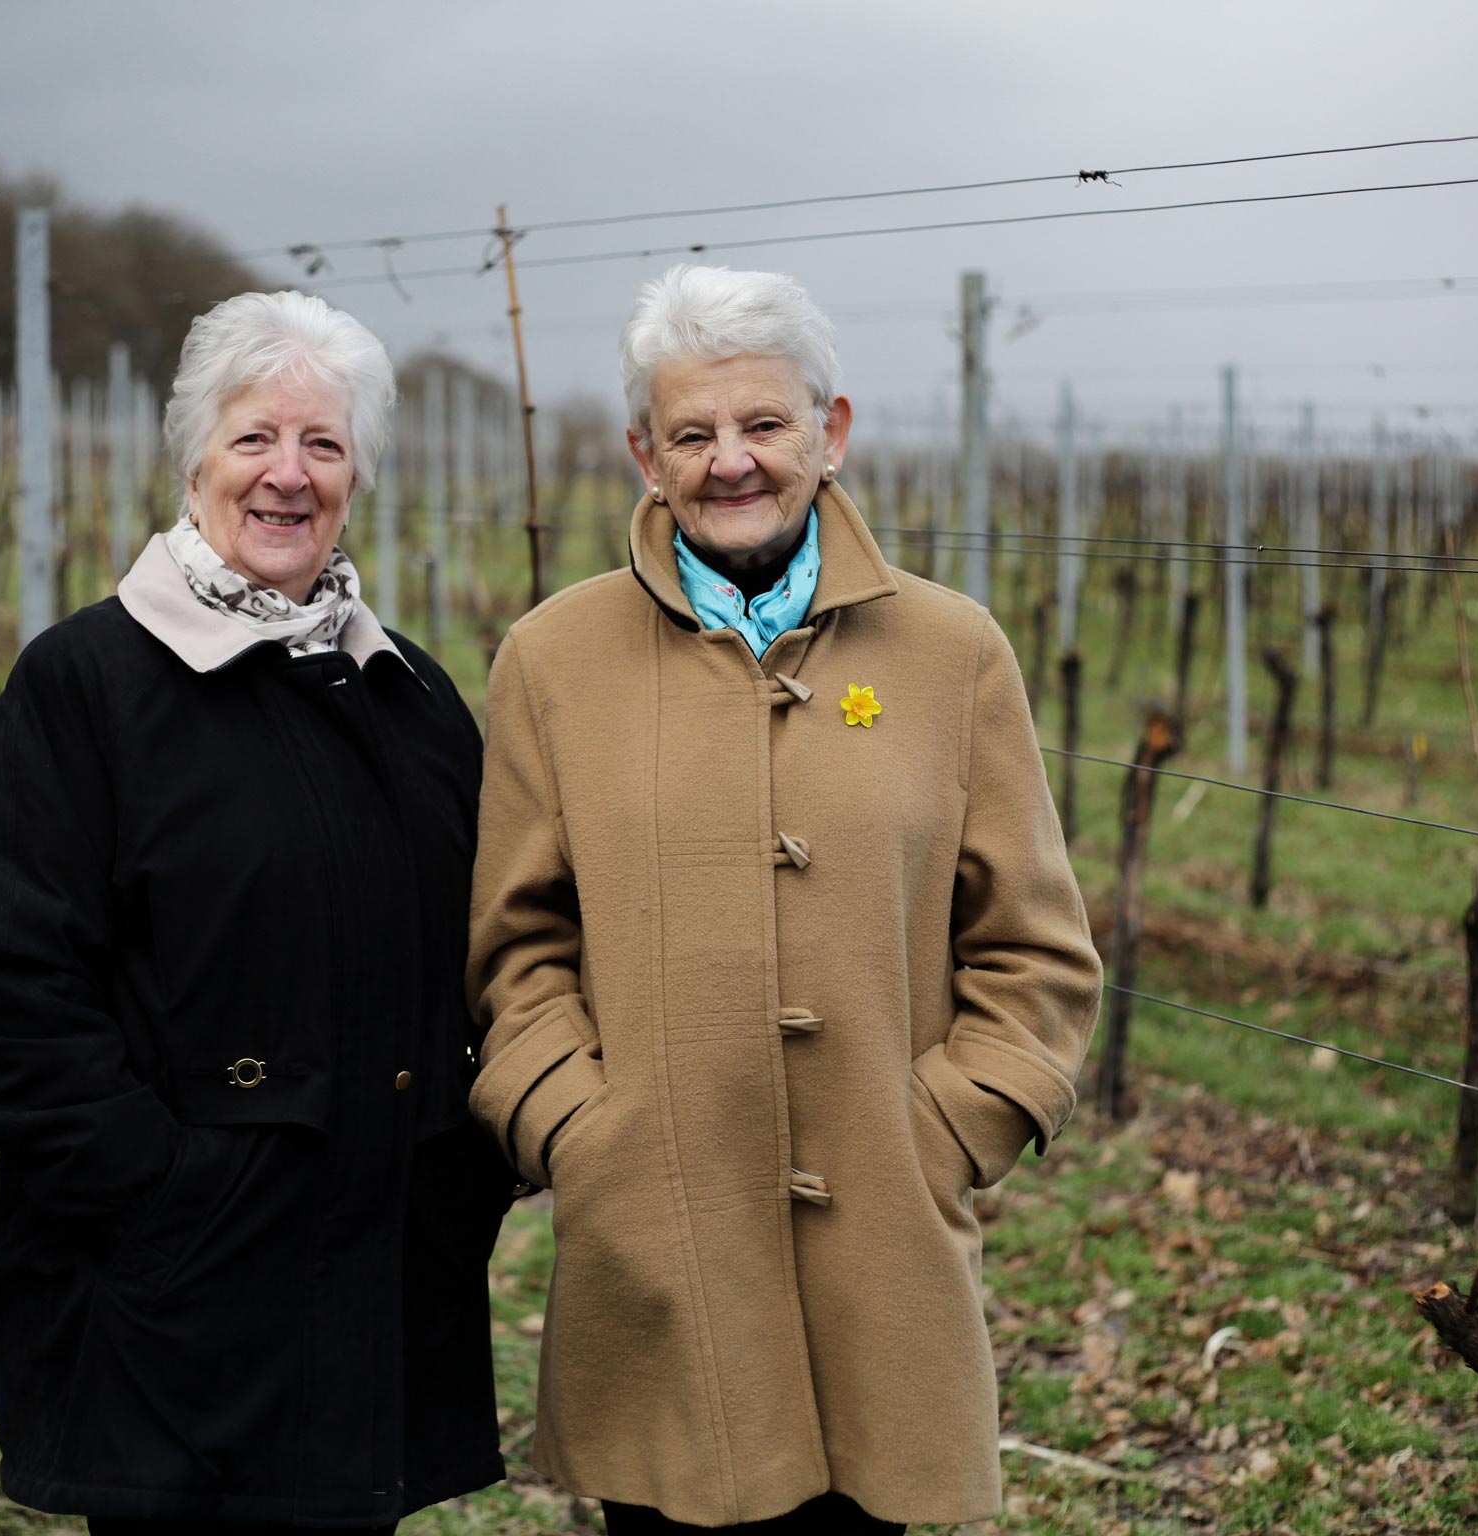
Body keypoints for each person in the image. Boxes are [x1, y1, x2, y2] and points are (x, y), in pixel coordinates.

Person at [467, 265, 1103, 1534]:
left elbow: (1034, 952)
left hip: (888, 1245)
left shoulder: (950, 653)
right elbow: (514, 949)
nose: (731, 461)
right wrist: (581, 1135)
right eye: (691, 434)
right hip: (655, 1249)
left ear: (832, 431)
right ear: (644, 456)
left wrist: (948, 1131)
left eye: (763, 424)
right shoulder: (552, 661)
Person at [0, 291, 513, 1534]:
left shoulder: (407, 693)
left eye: (323, 445)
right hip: (174, 1305)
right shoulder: (85, 685)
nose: (286, 476)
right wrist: (171, 1190)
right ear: (193, 456)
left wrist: (470, 1169)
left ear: (358, 477)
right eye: (254, 439)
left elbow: (488, 954)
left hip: (380, 1293)